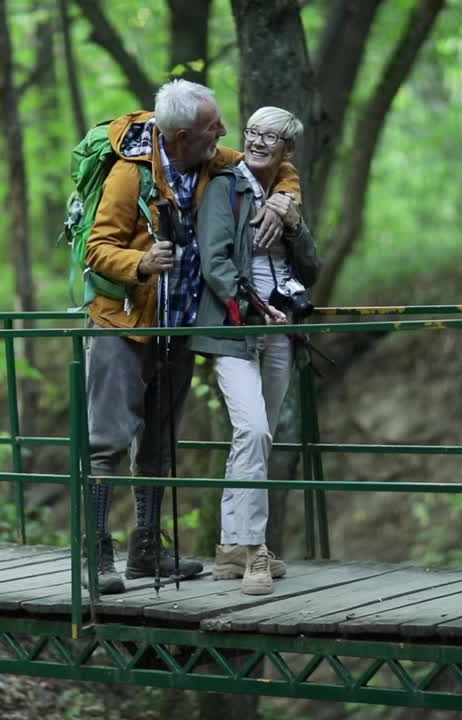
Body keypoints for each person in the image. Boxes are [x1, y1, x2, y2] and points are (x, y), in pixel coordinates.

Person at [84, 80, 302, 595]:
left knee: (159, 443)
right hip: (124, 324)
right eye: (213, 127)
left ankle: (145, 550)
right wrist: (138, 262)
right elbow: (98, 247)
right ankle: (94, 554)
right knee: (107, 441)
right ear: (180, 136)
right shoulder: (127, 175)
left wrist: (283, 200)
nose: (224, 134)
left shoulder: (209, 160)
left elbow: (274, 165)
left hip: (177, 329)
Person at [191, 106, 318, 596]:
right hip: (234, 328)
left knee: (253, 438)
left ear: (287, 148)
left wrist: (294, 224)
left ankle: (228, 548)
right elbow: (214, 260)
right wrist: (252, 303)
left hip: (281, 331)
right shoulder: (225, 186)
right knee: (254, 428)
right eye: (252, 133)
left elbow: (311, 269)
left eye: (271, 136)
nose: (259, 141)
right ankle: (255, 550)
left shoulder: (288, 194)